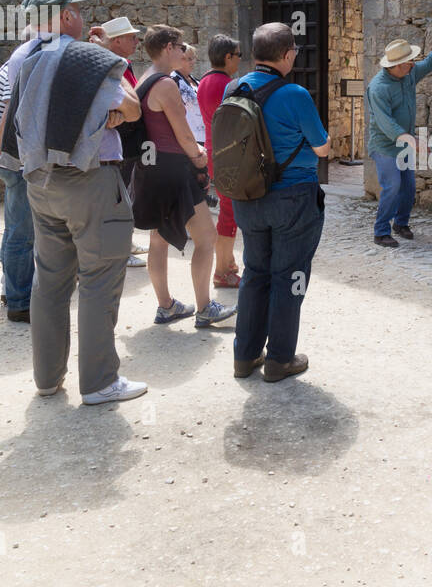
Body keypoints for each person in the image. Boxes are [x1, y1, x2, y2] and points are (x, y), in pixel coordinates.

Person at [5, 0, 147, 405]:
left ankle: (48, 378)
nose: (84, 18)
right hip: (90, 178)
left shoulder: (23, 57)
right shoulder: (90, 57)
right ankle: (100, 381)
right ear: (66, 16)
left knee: (49, 282)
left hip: (41, 182)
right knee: (100, 279)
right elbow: (134, 108)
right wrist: (113, 95)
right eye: (78, 11)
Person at [227, 22, 330, 382]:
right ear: (287, 55)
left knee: (255, 273)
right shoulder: (295, 95)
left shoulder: (233, 88)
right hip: (293, 198)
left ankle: (245, 357)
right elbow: (323, 147)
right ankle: (279, 360)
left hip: (247, 196)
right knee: (290, 276)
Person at [131, 25, 235, 329]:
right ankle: (205, 307)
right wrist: (199, 157)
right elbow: (183, 133)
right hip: (175, 170)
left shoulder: (144, 78)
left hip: (151, 170)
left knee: (158, 239)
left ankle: (166, 306)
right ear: (167, 48)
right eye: (179, 46)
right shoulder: (166, 84)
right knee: (206, 237)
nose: (183, 50)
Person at [365, 30, 432, 247]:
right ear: (397, 65)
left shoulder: (407, 74)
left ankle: (401, 224)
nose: (413, 65)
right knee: (393, 186)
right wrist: (412, 141)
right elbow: (385, 123)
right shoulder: (378, 88)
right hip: (385, 147)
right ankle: (381, 232)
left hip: (405, 145)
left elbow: (429, 62)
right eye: (409, 62)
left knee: (408, 187)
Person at [0, 24, 42, 321]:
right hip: (15, 159)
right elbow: (7, 116)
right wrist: (3, 155)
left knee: (14, 228)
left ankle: (10, 287)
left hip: (8, 158)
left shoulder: (4, 69)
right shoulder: (19, 69)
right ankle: (20, 300)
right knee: (22, 232)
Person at [90, 16, 148, 268]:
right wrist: (119, 114)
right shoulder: (110, 67)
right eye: (131, 37)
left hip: (126, 141)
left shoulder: (124, 65)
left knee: (125, 197)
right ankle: (119, 250)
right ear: (115, 41)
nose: (137, 41)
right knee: (115, 201)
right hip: (117, 142)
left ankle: (126, 242)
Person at [197, 33, 242, 288]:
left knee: (227, 210)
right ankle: (222, 270)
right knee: (229, 214)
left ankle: (228, 262)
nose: (239, 61)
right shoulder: (227, 84)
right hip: (228, 155)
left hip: (215, 152)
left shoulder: (205, 80)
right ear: (227, 57)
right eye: (238, 56)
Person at [171, 43, 205, 144]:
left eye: (193, 58)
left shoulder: (196, 81)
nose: (192, 62)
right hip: (189, 138)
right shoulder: (173, 81)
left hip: (204, 136)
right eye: (187, 59)